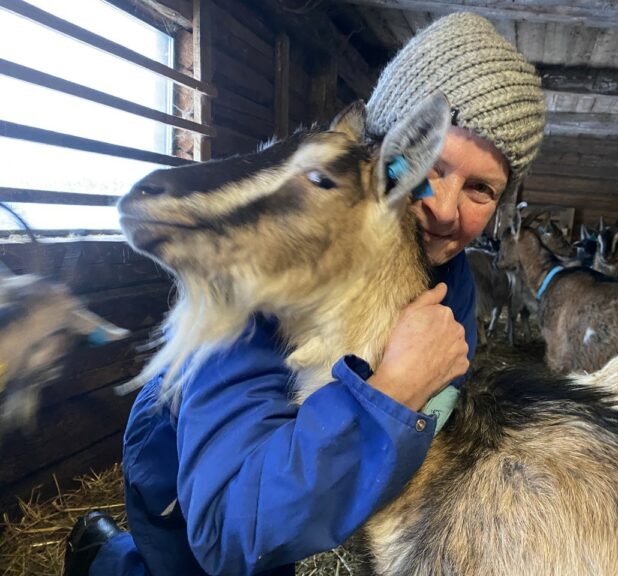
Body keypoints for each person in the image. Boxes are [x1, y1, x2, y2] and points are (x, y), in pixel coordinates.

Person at [63, 11, 545, 576]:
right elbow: (228, 532)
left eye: (481, 188)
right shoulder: (264, 293)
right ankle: (100, 555)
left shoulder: (448, 270)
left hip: (303, 475)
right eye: (425, 166)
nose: (444, 206)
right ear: (385, 156)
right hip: (184, 463)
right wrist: (392, 393)